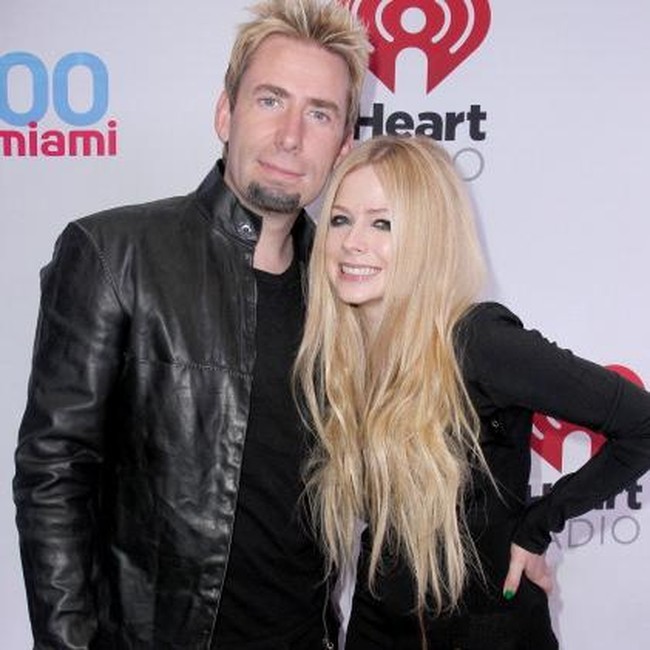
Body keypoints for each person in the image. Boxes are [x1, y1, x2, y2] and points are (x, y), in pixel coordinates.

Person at [13, 2, 370, 648]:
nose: (291, 136)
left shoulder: (350, 292)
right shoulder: (114, 255)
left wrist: (520, 535)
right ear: (225, 113)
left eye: (320, 114)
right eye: (270, 100)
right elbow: (53, 475)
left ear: (344, 144)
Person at [294, 135, 650, 649]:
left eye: (383, 223)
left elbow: (641, 422)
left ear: (429, 237)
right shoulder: (339, 351)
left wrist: (537, 527)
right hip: (377, 626)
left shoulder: (479, 342)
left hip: (489, 632)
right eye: (340, 219)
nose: (352, 242)